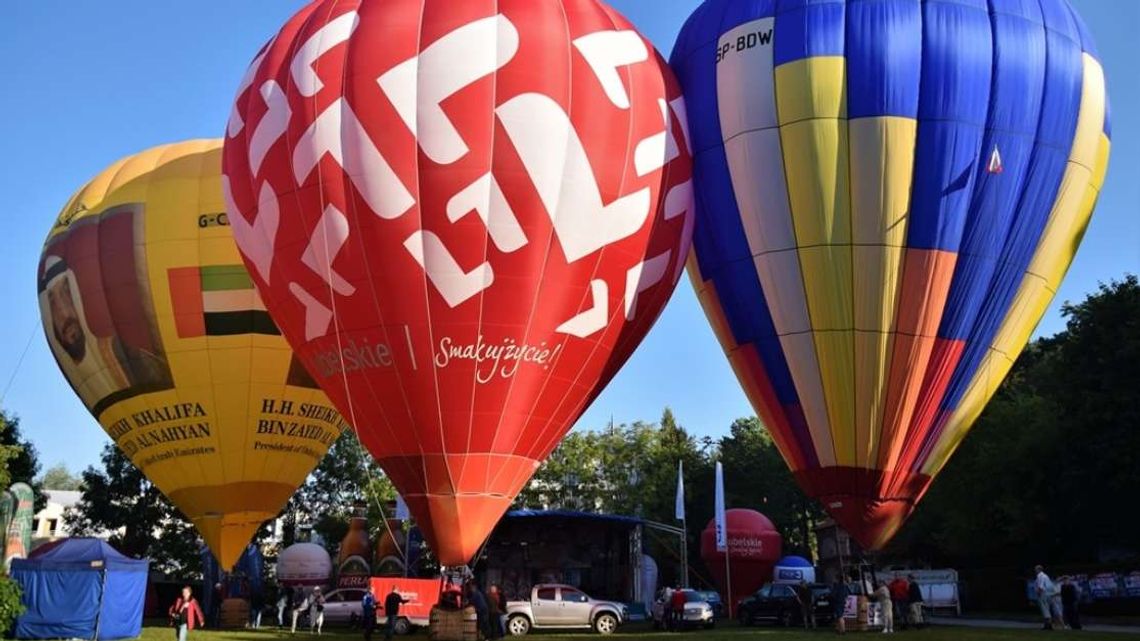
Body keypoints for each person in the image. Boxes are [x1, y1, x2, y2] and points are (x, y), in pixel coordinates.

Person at [1035, 565, 1060, 630]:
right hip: (1049, 594)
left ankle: (1048, 625)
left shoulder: (1040, 576)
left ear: (1039, 570)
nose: (1035, 571)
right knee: (1047, 609)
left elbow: (1041, 586)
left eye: (1036, 569)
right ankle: (1049, 625)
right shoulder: (1045, 576)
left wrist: (1038, 594)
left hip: (1044, 593)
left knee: (1045, 610)